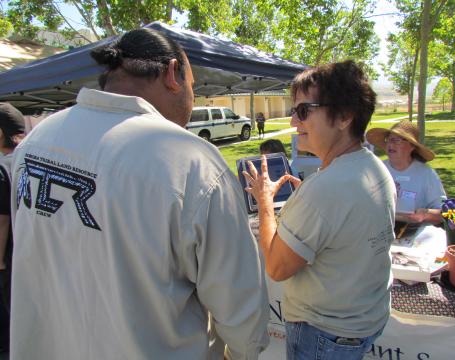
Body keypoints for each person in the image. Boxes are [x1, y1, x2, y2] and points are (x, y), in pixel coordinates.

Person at [9, 28, 269, 360]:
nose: (192, 99)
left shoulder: (37, 141)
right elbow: (240, 308)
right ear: (173, 73)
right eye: (193, 86)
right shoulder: (191, 162)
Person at [243, 60, 396, 360]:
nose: (292, 123)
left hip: (324, 334)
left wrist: (264, 205)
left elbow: (276, 267)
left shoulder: (325, 189)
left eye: (303, 111)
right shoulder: (374, 167)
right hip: (361, 323)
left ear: (344, 116)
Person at [366, 120, 446, 224]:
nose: (391, 144)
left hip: (415, 234)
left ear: (412, 146)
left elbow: (443, 213)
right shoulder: (376, 169)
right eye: (389, 140)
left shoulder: (426, 174)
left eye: (397, 140)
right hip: (380, 229)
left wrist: (425, 214)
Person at [0, 102, 25, 354]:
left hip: (9, 251)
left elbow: (2, 218)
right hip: (29, 245)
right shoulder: (27, 157)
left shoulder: (2, 165)